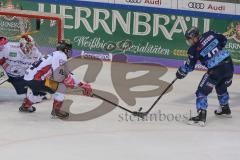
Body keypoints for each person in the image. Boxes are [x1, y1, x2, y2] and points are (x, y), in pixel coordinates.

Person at [19, 40, 93, 119]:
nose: (69, 52)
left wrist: (81, 84)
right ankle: (56, 111)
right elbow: (60, 75)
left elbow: (66, 73)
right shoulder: (61, 55)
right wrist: (76, 85)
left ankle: (26, 105)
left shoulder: (55, 55)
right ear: (65, 50)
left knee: (39, 94)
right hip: (36, 79)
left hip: (29, 79)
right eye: (69, 50)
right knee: (61, 87)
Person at [176, 27, 234, 126]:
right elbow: (224, 40)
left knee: (202, 91)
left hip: (215, 70)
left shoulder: (193, 50)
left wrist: (181, 72)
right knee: (221, 86)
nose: (188, 42)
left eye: (189, 39)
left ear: (194, 38)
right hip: (229, 65)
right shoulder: (210, 33)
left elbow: (189, 67)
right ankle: (225, 108)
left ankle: (201, 116)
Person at [0, 35, 46, 103]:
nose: (30, 47)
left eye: (31, 45)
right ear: (21, 44)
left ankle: (37, 91)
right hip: (5, 73)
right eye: (28, 45)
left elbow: (43, 63)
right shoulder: (9, 47)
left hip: (20, 77)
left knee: (37, 93)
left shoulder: (35, 52)